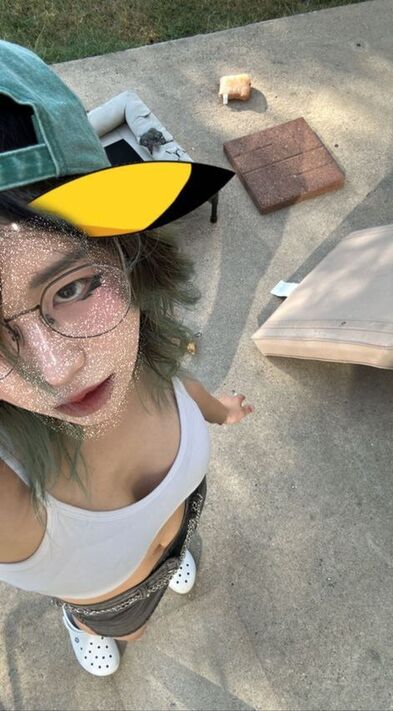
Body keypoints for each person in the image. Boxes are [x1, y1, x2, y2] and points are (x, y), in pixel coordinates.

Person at [0, 41, 254, 677]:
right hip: (112, 599)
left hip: (184, 518)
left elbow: (169, 380)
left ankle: (170, 555)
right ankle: (84, 622)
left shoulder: (134, 354)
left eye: (72, 288)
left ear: (129, 256)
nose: (57, 370)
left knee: (175, 546)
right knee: (131, 628)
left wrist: (216, 409)